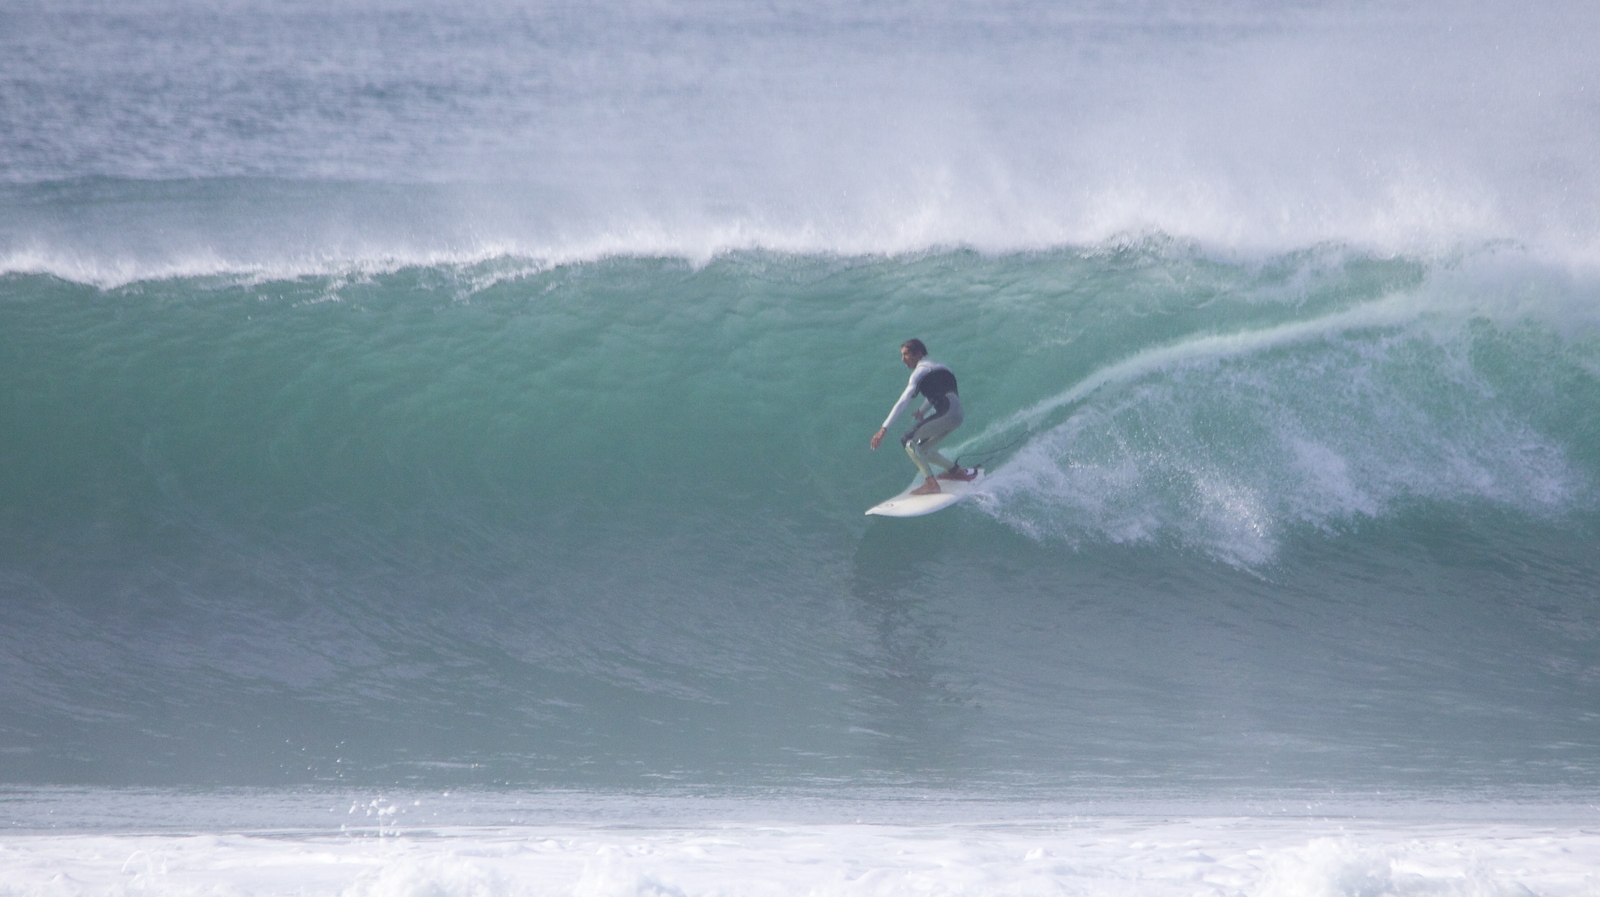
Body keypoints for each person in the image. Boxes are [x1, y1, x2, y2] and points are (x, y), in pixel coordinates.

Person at [870, 339, 977, 495]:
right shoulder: (942, 368)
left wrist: (883, 428)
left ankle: (931, 483)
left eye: (906, 354)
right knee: (920, 448)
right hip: (957, 415)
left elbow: (903, 401)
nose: (903, 359)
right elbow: (939, 393)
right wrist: (921, 410)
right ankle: (956, 472)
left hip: (946, 414)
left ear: (918, 353)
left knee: (907, 440)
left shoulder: (919, 373)